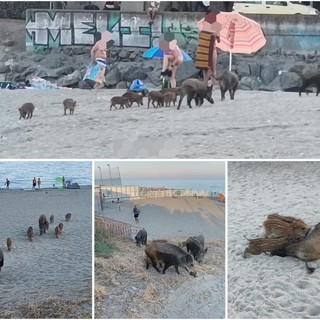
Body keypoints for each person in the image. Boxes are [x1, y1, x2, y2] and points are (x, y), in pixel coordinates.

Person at [196, 11, 221, 86]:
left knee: (213, 68)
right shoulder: (202, 26)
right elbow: (200, 34)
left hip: (213, 50)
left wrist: (216, 35)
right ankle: (205, 84)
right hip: (204, 50)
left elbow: (219, 41)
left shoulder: (217, 26)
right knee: (205, 68)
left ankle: (213, 84)